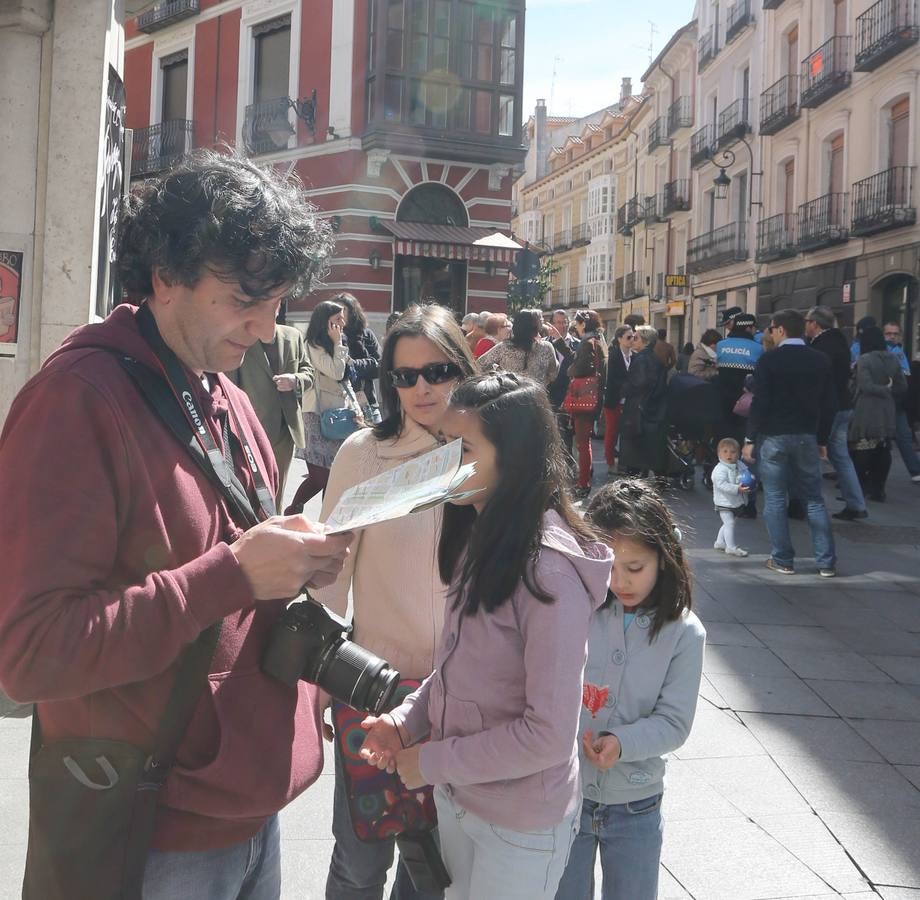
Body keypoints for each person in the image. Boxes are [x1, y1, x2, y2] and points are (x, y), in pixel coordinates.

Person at [0, 151, 353, 897]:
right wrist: (231, 576)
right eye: (242, 300)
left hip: (251, 816)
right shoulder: (78, 401)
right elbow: (30, 654)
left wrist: (297, 562)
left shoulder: (222, 392)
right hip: (152, 834)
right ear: (165, 278)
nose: (264, 329)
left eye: (278, 303)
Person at [359, 372, 613, 900]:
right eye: (443, 443)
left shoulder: (549, 569)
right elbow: (459, 667)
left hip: (519, 825)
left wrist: (429, 761)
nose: (447, 461)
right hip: (462, 800)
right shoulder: (482, 535)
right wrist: (406, 722)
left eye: (464, 447)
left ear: (513, 459)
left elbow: (548, 734)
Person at [316, 304, 477, 900]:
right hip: (370, 688)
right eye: (404, 376)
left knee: (430, 869)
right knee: (359, 861)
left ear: (462, 368)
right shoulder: (362, 454)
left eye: (435, 371)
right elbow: (332, 570)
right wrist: (317, 683)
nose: (421, 388)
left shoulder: (482, 455)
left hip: (457, 696)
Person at [556, 479, 705, 900]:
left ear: (664, 557)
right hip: (569, 795)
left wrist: (621, 742)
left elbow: (674, 722)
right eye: (608, 567)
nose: (620, 581)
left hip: (637, 804)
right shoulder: (579, 609)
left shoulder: (685, 633)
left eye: (634, 568)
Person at [743, 309, 837, 578]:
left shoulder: (769, 360)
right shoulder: (820, 360)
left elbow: (760, 403)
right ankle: (826, 561)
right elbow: (829, 403)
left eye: (771, 328)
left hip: (773, 437)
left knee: (774, 498)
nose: (769, 333)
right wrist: (822, 438)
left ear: (781, 330)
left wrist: (750, 438)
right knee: (814, 499)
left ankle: (783, 559)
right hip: (807, 435)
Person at [286, 300, 362, 515]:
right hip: (317, 416)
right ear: (325, 321)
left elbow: (346, 379)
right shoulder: (313, 345)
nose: (342, 322)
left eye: (343, 317)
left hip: (339, 417)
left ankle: (327, 518)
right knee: (320, 476)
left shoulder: (337, 343)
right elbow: (336, 372)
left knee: (334, 475)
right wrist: (338, 344)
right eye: (337, 318)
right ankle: (292, 511)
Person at [229, 323, 314, 504]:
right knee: (251, 489)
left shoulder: (293, 335)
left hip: (286, 429)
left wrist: (295, 380)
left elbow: (309, 372)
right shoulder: (240, 335)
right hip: (251, 429)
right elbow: (230, 385)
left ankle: (275, 527)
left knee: (277, 494)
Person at [805, 306, 868, 520]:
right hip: (844, 405)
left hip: (828, 407)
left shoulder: (822, 346)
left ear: (815, 323)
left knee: (816, 453)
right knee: (841, 456)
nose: (805, 325)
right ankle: (856, 503)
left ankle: (811, 505)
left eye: (807, 321)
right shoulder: (840, 341)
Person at [849, 326, 908, 502]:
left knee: (862, 447)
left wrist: (881, 389)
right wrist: (889, 391)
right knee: (883, 447)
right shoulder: (893, 358)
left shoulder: (864, 359)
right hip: (887, 408)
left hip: (867, 407)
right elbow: (902, 386)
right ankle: (878, 488)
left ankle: (859, 488)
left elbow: (865, 386)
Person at [619, 326, 669, 478]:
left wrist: (624, 389)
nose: (633, 341)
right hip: (651, 410)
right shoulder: (656, 360)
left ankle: (633, 481)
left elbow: (638, 383)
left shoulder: (641, 359)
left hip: (637, 411)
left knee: (634, 451)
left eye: (636, 338)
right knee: (650, 449)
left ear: (645, 341)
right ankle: (658, 479)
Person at [569, 310, 608, 500]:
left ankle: (583, 482)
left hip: (584, 398)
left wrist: (570, 369)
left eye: (577, 323)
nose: (575, 326)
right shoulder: (599, 341)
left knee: (583, 444)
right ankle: (584, 479)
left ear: (583, 324)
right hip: (594, 398)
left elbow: (580, 367)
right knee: (586, 442)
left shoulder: (587, 343)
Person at [479, 308, 560, 386]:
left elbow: (480, 364)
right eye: (541, 321)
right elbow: (553, 374)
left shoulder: (504, 347)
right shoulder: (546, 348)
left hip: (510, 394)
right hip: (535, 395)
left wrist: (497, 377)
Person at [881, 321, 920, 483]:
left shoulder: (900, 351)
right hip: (883, 401)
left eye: (895, 334)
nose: (892, 336)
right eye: (889, 333)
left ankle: (916, 472)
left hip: (898, 402)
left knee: (903, 436)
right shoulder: (884, 351)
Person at [716, 312, 764, 442]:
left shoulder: (721, 345)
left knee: (725, 431)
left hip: (723, 397)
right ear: (748, 328)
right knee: (742, 431)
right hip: (745, 399)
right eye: (754, 327)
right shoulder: (758, 348)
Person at [339, 292, 383, 425]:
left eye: (343, 310)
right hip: (340, 407)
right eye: (336, 310)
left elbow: (380, 366)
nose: (340, 314)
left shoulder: (366, 334)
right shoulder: (328, 337)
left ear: (352, 312)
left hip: (367, 402)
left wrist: (353, 364)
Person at [603, 325, 635, 475]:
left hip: (629, 402)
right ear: (620, 339)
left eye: (633, 337)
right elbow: (614, 380)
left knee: (626, 433)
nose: (632, 340)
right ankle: (610, 463)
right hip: (614, 401)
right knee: (612, 432)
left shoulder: (634, 356)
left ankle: (624, 461)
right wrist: (629, 387)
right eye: (628, 337)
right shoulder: (614, 356)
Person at [711, 438, 752, 557]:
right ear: (719, 453)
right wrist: (737, 488)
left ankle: (719, 542)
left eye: (733, 452)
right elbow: (721, 485)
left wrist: (750, 480)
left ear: (738, 454)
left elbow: (746, 473)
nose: (729, 454)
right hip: (724, 502)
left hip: (736, 501)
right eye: (725, 451)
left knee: (729, 523)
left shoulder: (739, 464)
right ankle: (731, 547)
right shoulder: (719, 469)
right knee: (729, 523)